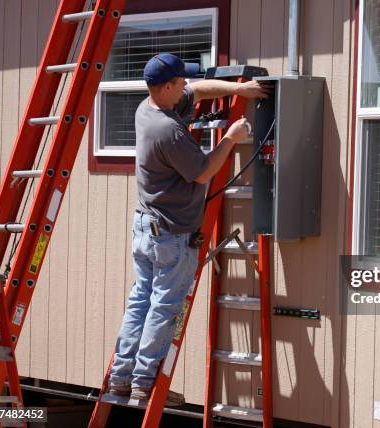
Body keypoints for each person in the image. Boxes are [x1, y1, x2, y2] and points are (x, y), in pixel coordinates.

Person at [106, 53, 269, 404]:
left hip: (146, 227)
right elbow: (203, 171)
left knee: (140, 302)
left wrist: (242, 88)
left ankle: (121, 377)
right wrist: (231, 135)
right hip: (170, 234)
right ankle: (144, 382)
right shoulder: (168, 129)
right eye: (179, 82)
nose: (185, 87)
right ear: (166, 87)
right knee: (163, 306)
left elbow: (197, 91)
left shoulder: (147, 109)